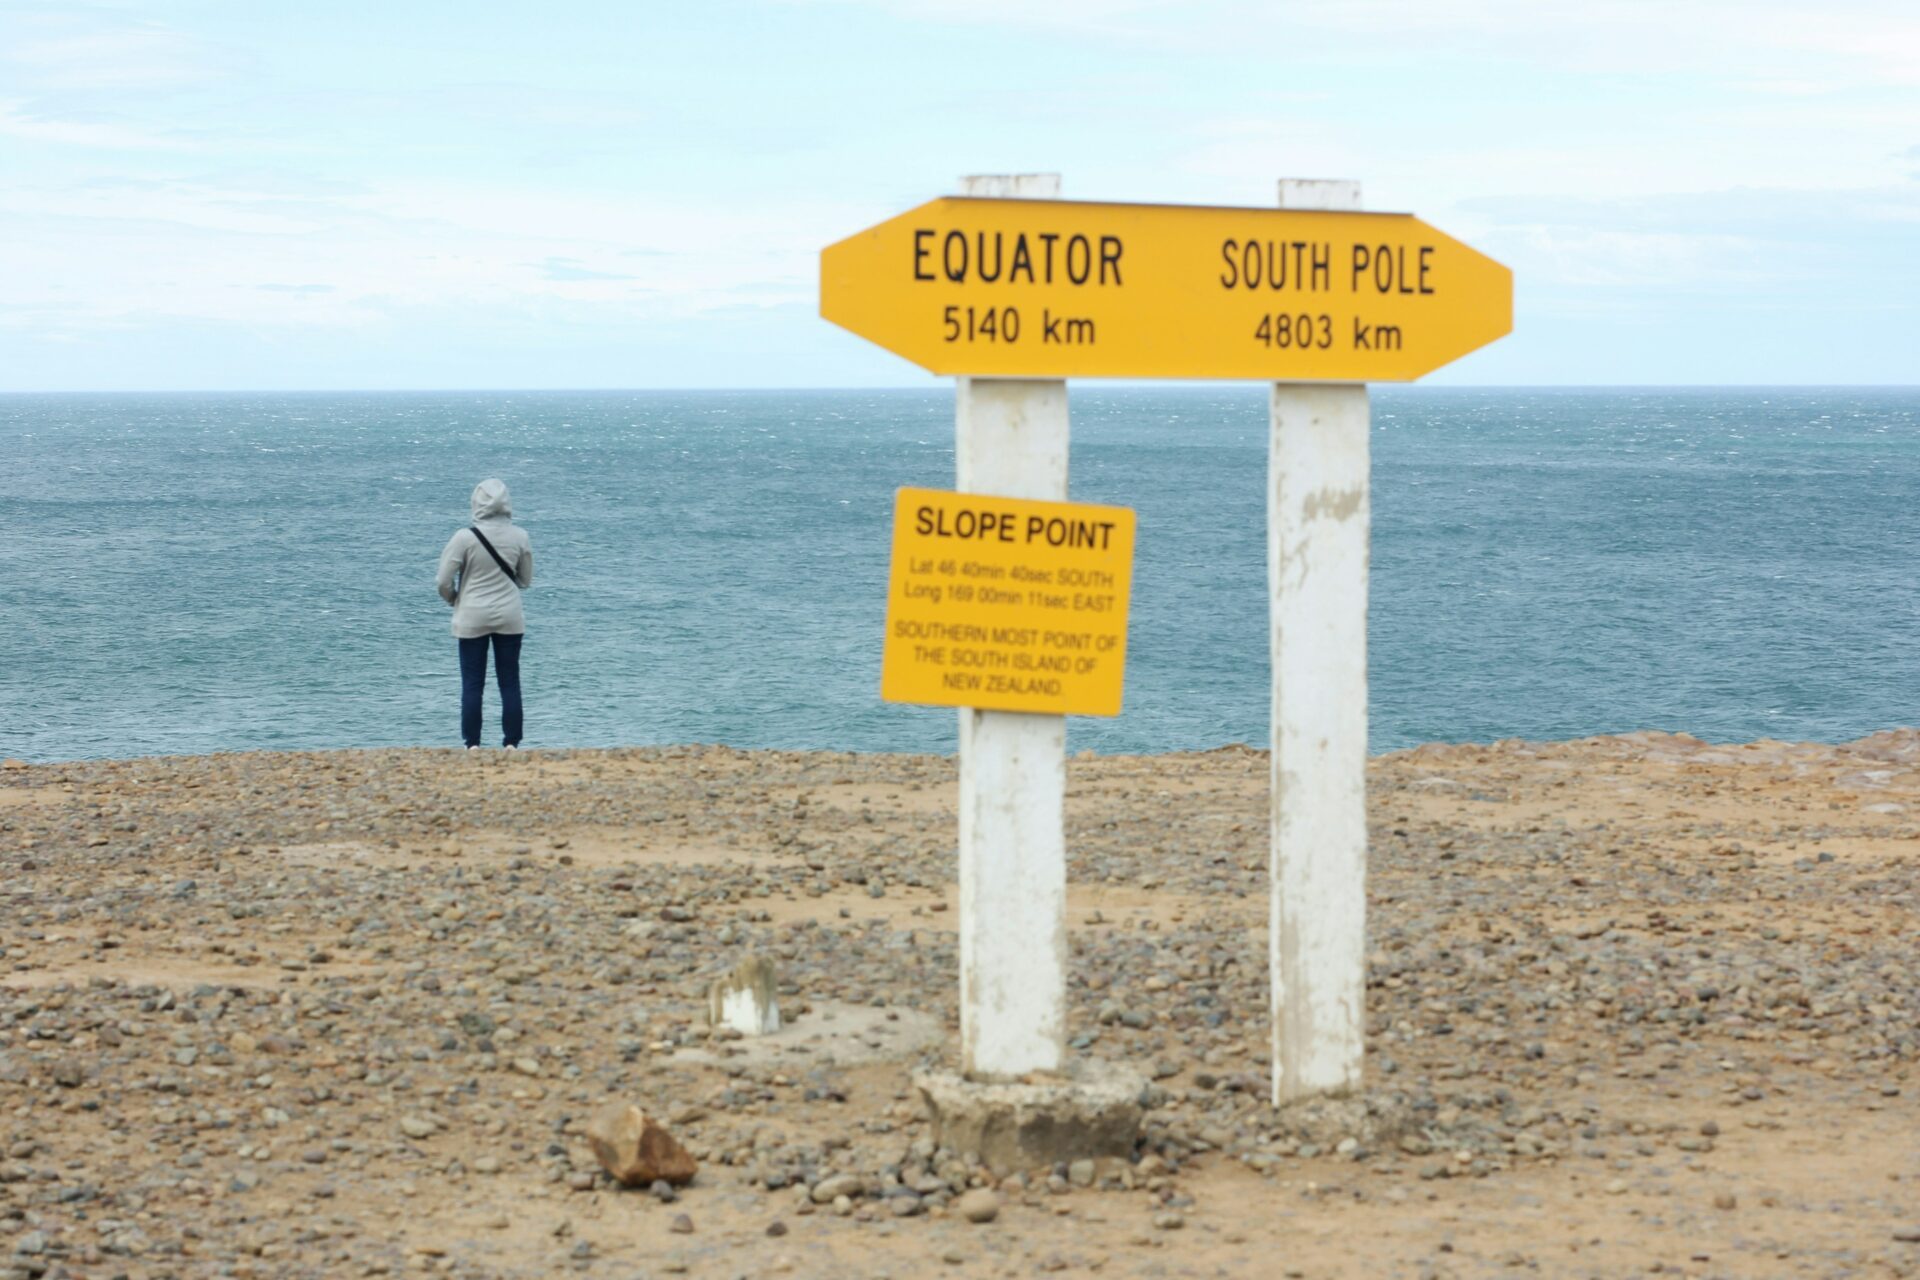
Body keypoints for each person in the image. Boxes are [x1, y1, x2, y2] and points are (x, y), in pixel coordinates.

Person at [436, 479, 534, 749]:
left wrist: (456, 599)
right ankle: (512, 744)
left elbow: (443, 581)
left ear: (476, 503)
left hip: (471, 615)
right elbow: (525, 581)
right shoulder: (520, 536)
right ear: (507, 504)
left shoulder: (464, 538)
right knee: (509, 681)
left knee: (472, 683)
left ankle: (473, 745)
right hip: (509, 615)